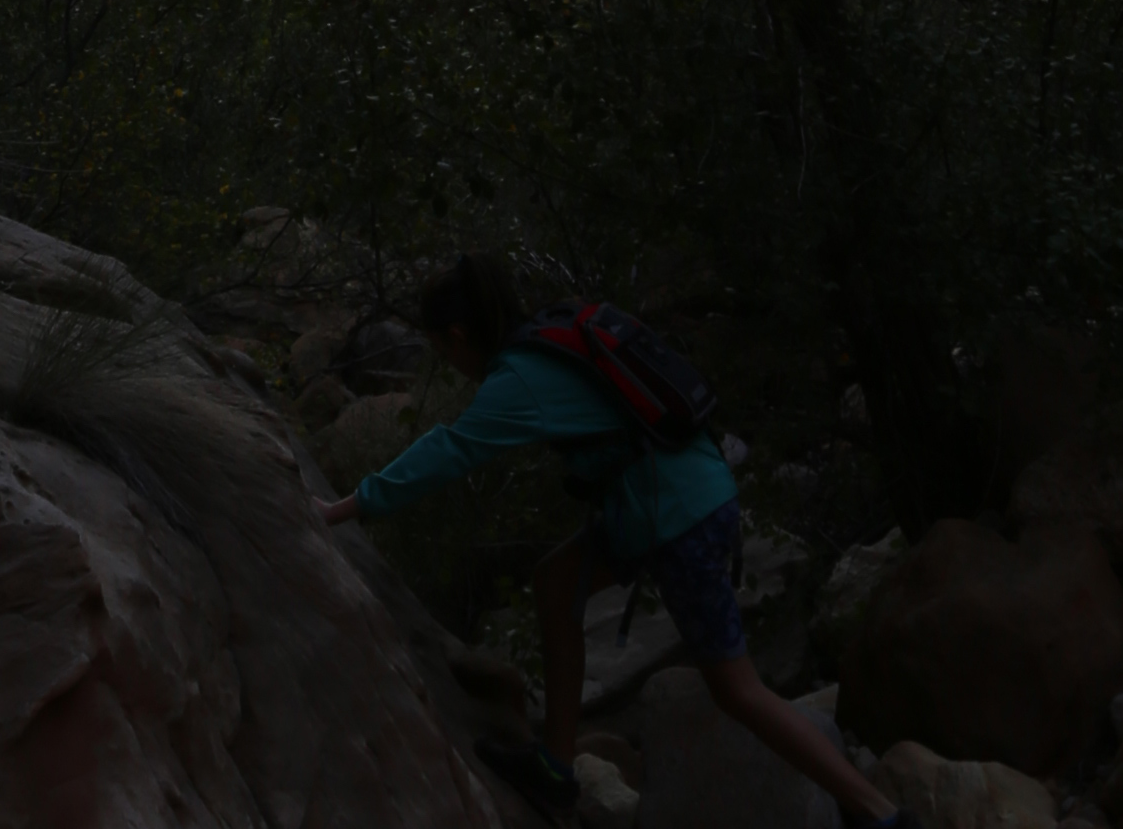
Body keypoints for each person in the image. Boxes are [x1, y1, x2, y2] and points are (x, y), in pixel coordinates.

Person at [324, 259, 907, 823]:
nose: (448, 364)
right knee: (557, 582)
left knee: (737, 690)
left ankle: (880, 814)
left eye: (444, 351)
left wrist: (344, 508)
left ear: (458, 334)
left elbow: (445, 452)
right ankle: (555, 769)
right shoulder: (546, 336)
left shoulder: (518, 377)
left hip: (678, 517)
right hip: (673, 497)